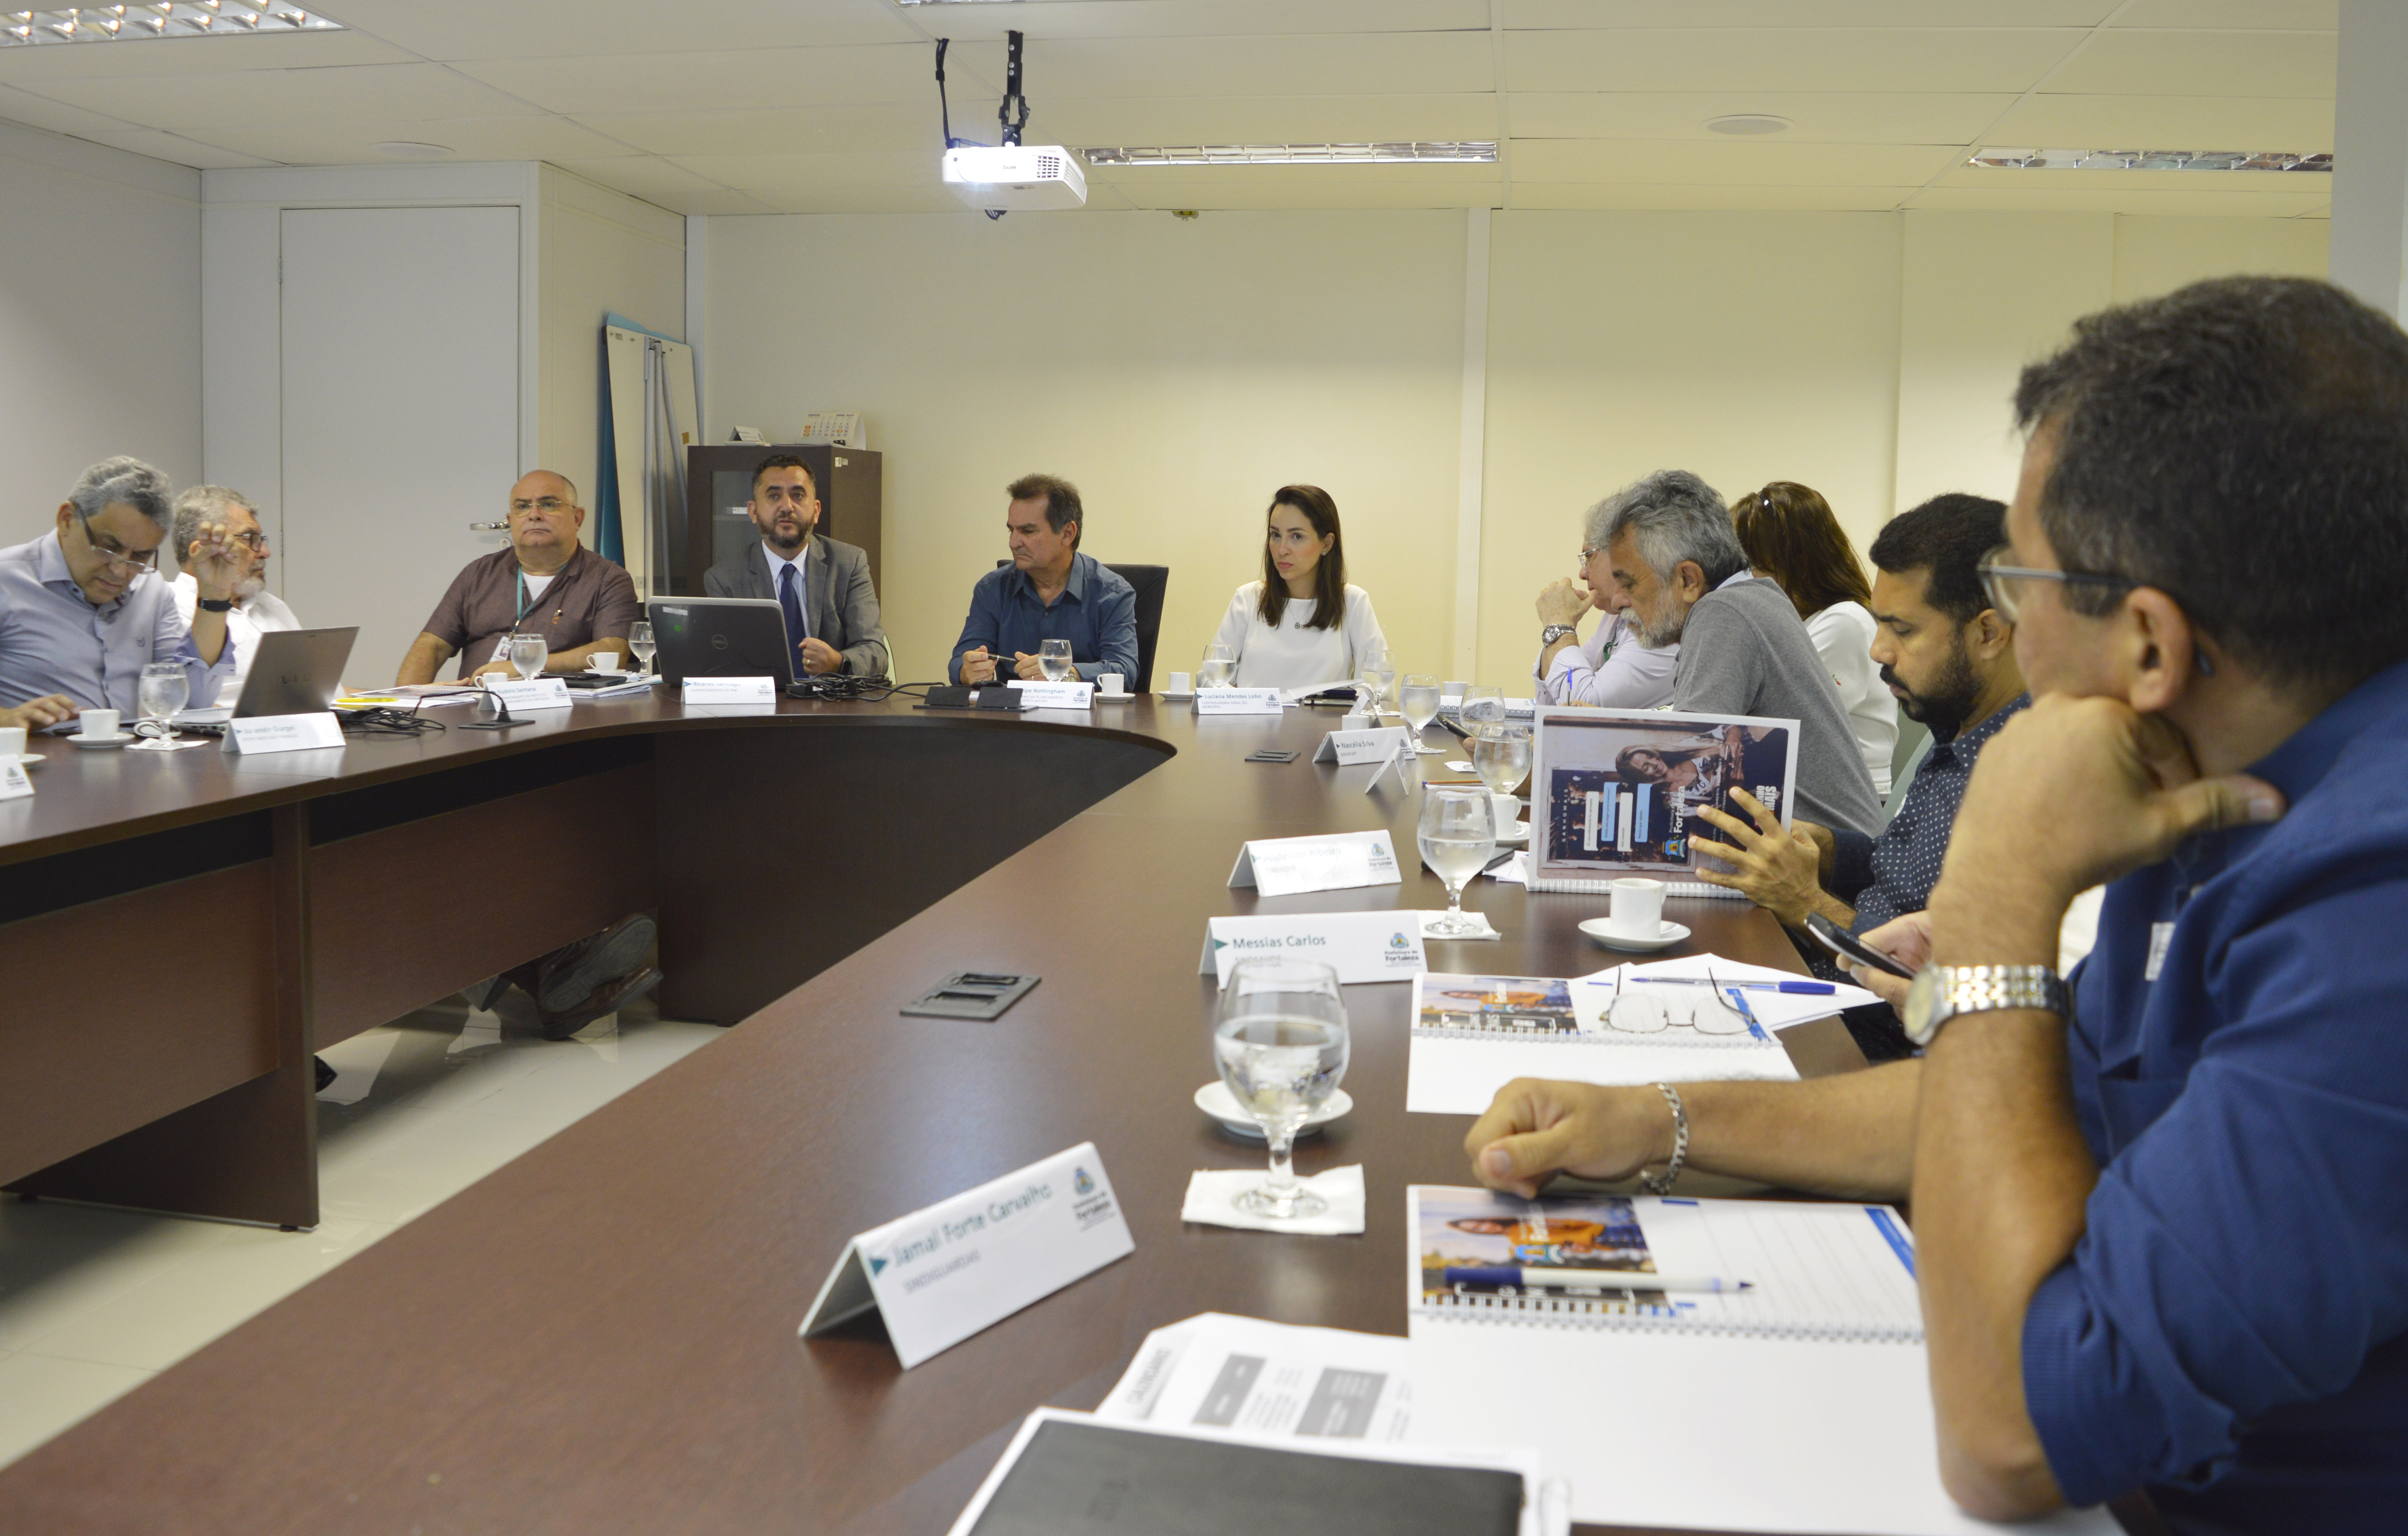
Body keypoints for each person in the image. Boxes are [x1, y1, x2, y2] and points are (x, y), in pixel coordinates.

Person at [1463, 277, 2408, 1533]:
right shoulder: (2206, 787)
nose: (2008, 631)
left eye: (2020, 584)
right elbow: (2024, 1102)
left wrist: (2000, 896)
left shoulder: (2372, 906)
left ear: (2144, 642)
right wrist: (1653, 1120)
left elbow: (2008, 1438)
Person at [1690, 493, 2028, 1060]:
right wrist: (1829, 851)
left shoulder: (2028, 774)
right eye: (1878, 625)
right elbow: (1910, 872)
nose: (1878, 651)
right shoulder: (1957, 730)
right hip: (1831, 996)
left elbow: (1944, 986)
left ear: (1989, 633)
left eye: (1902, 630)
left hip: (1872, 1045)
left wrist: (1804, 902)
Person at [1594, 470, 1883, 837]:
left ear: (1688, 580)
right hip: (1827, 853)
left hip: (1825, 869)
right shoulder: (1752, 597)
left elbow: (1693, 793)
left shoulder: (1723, 614)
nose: (1620, 601)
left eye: (1630, 583)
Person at [0, 456, 244, 729]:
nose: (120, 570)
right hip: (37, 764)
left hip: (130, 763)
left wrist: (214, 593)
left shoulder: (152, 592)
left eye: (140, 557)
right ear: (67, 520)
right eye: (108, 548)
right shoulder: (7, 581)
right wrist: (7, 718)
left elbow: (193, 702)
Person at [1731, 481, 1897, 794]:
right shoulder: (1806, 623)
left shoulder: (1845, 622)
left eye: (1751, 564)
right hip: (1814, 790)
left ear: (1794, 562)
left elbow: (1769, 724)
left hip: (1849, 802)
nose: (1744, 579)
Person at [396, 471, 638, 684]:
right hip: (476, 710)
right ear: (511, 522)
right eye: (522, 507)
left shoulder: (609, 579)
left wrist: (524, 667)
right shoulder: (479, 574)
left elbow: (612, 651)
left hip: (563, 714)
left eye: (549, 505)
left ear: (578, 518)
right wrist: (404, 706)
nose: (534, 515)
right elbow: (432, 646)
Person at [702, 453, 889, 679]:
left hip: (833, 705)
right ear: (753, 512)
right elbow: (723, 663)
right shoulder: (725, 580)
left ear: (817, 511)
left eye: (798, 496)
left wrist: (838, 662)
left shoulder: (848, 564)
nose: (787, 507)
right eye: (773, 496)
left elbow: (875, 652)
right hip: (761, 708)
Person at [950, 474, 1138, 686]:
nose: (1013, 543)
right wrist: (968, 671)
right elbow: (960, 661)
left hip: (1085, 717)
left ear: (1067, 534)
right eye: (1011, 530)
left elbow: (1125, 669)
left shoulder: (1112, 593)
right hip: (1011, 716)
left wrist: (1067, 673)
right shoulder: (992, 589)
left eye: (1028, 531)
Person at [1206, 484, 1387, 690]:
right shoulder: (1249, 598)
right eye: (1275, 535)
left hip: (1326, 722)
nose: (1282, 550)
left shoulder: (1353, 602)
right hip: (1253, 721)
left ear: (1327, 544)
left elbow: (1378, 686)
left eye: (1297, 537)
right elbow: (1210, 679)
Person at [168, 485, 300, 695]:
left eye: (260, 539)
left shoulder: (272, 606)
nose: (266, 553)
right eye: (250, 539)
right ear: (202, 551)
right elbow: (178, 704)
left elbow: (325, 694)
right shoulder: (169, 610)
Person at [1532, 522, 1677, 708]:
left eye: (1589, 557)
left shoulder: (1661, 620)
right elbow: (1550, 701)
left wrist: (1559, 625)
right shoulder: (1616, 615)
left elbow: (1579, 709)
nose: (1583, 573)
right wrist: (1558, 628)